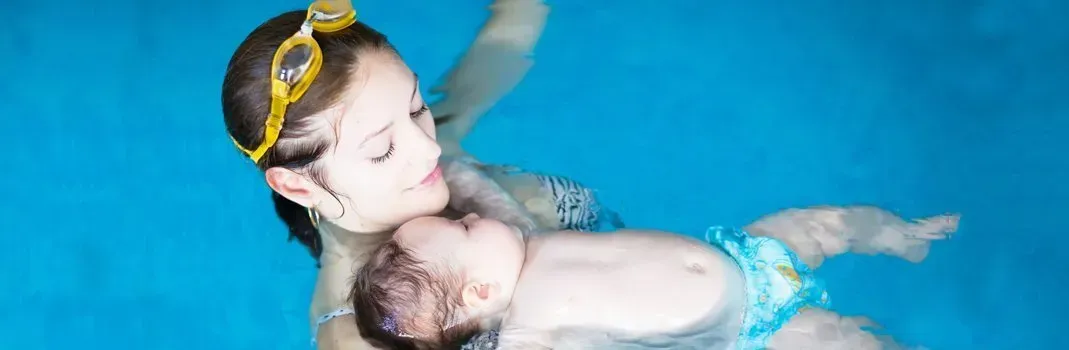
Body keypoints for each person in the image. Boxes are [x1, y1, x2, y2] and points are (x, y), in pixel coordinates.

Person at [220, 1, 618, 348]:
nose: (431, 147)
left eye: (415, 108)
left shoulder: (427, 148)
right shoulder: (362, 334)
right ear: (296, 185)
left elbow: (509, 37)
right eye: (382, 150)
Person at [350, 206, 961, 349]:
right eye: (462, 228)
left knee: (823, 222)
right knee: (839, 340)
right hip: (756, 327)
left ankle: (904, 238)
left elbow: (484, 196)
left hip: (746, 255)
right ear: (482, 292)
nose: (473, 214)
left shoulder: (526, 239)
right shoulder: (529, 331)